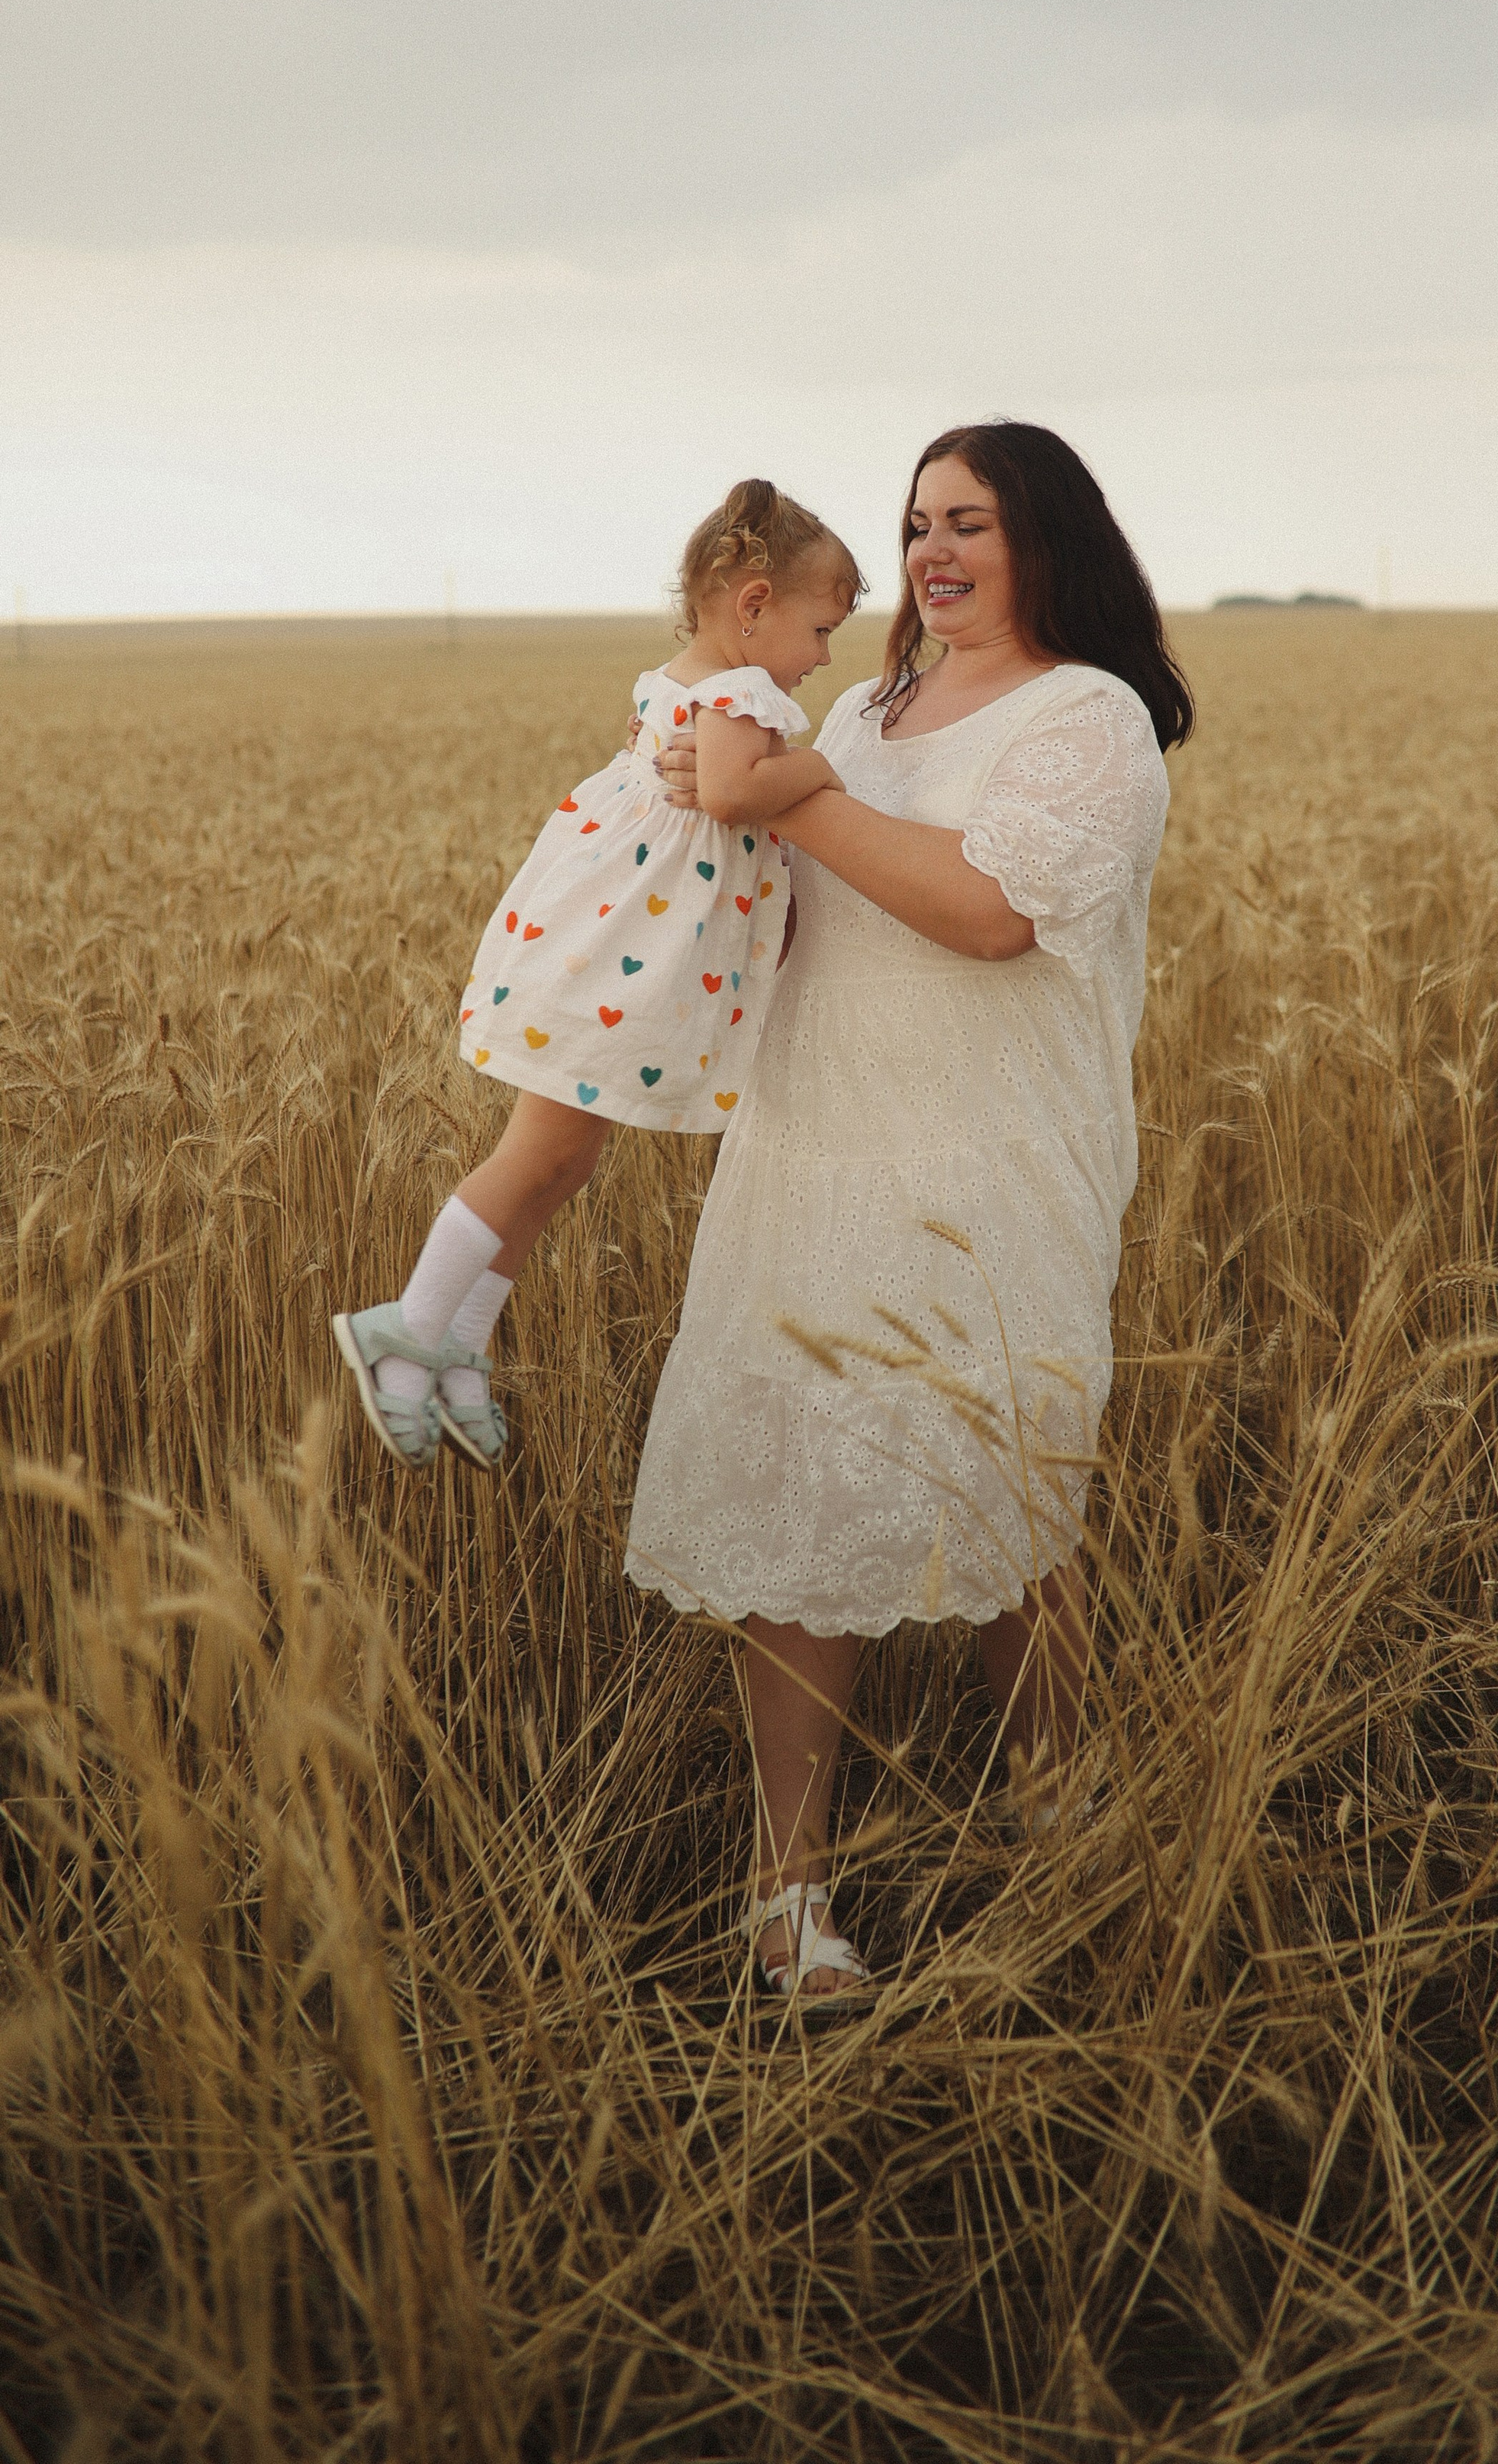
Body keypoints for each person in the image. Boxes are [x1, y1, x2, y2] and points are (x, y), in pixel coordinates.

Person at [628, 422, 1193, 2007]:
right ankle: (783, 1899)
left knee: (1013, 1487)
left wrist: (787, 798)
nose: (935, 551)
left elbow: (987, 912)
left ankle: (1057, 1818)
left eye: (974, 523)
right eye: (918, 521)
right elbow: (787, 892)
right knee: (808, 1503)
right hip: (817, 1143)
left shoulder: (1090, 719)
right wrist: (677, 807)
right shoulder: (864, 712)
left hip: (989, 1153)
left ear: (1048, 542)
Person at [333, 480, 863, 1469]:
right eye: (822, 629)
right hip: (618, 970)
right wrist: (825, 770)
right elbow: (734, 789)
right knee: (537, 1159)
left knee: (567, 1164)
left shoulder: (680, 685)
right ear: (753, 606)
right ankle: (401, 1327)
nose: (827, 655)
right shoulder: (745, 698)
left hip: (618, 959)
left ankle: (457, 1345)